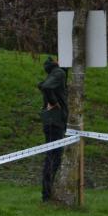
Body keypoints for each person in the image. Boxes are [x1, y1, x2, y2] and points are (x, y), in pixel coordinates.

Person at [38, 56, 69, 201]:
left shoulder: (55, 73)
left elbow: (42, 85)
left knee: (52, 156)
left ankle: (47, 192)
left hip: (52, 121)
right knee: (53, 157)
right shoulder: (59, 73)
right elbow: (45, 86)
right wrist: (54, 103)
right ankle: (47, 195)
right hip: (55, 121)